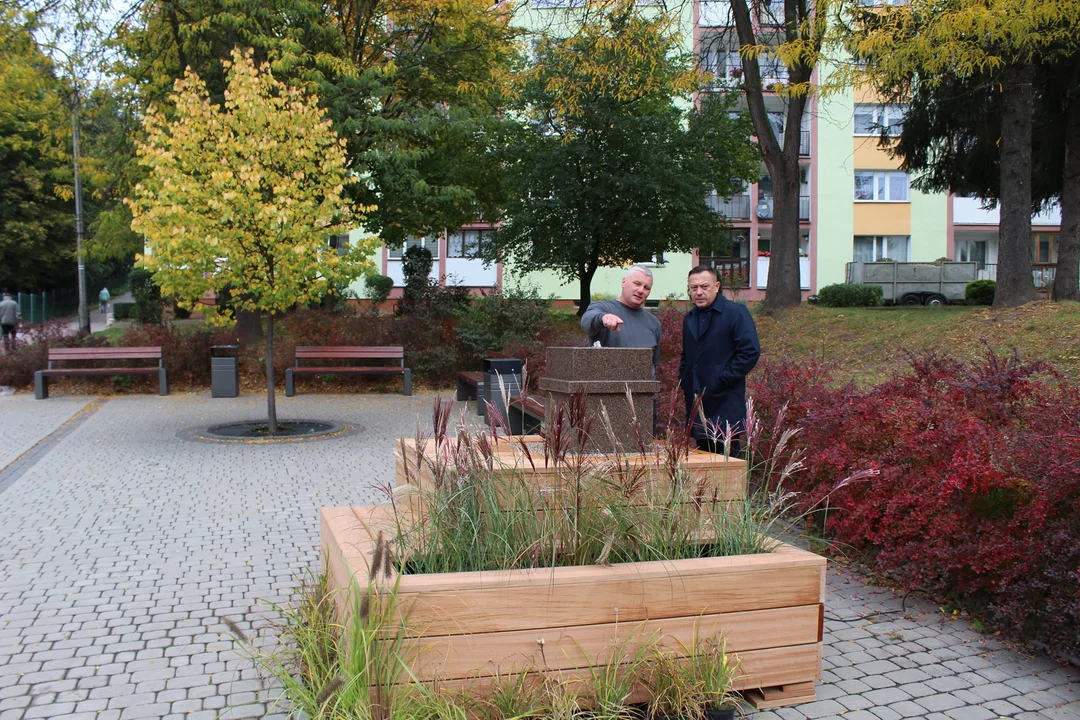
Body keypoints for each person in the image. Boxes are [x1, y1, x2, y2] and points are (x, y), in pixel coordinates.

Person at [679, 265, 760, 454]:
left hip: (725, 401)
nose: (698, 292)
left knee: (729, 463)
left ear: (716, 286)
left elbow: (750, 351)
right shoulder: (689, 318)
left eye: (704, 287)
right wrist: (684, 381)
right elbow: (686, 356)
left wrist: (722, 378)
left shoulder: (735, 313)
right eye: (693, 288)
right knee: (703, 461)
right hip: (697, 402)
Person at [580, 265, 662, 367]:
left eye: (646, 288)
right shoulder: (603, 308)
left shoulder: (654, 323)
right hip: (608, 380)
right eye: (637, 284)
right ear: (624, 282)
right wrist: (602, 318)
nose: (641, 290)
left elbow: (653, 363)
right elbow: (586, 321)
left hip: (642, 382)